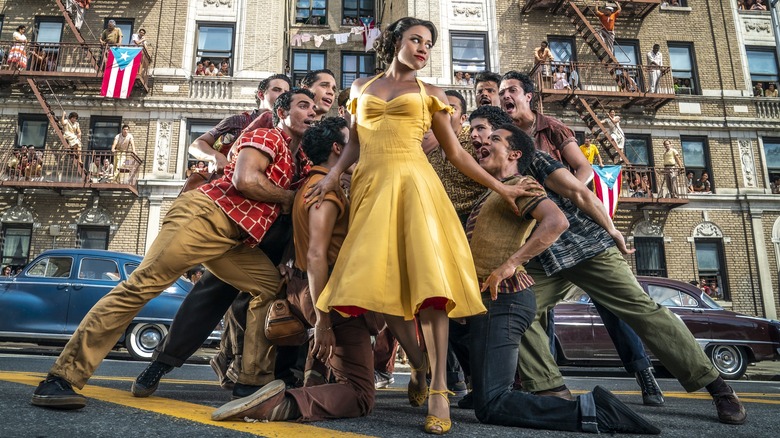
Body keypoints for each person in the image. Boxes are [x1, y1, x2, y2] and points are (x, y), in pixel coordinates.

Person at [305, 17, 530, 435]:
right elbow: (354, 144)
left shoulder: (432, 94)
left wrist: (502, 187)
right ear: (396, 42)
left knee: (430, 289)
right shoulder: (359, 89)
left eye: (429, 43)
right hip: (371, 193)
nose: (424, 48)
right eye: (416, 40)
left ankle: (440, 388)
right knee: (380, 287)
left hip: (417, 190)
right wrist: (333, 176)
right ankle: (420, 364)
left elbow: (458, 155)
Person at [31, 89, 318, 411]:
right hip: (204, 216)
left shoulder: (302, 162)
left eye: (316, 110)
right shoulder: (268, 135)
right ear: (281, 112)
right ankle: (60, 379)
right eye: (303, 106)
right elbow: (245, 179)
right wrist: (289, 199)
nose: (312, 112)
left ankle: (251, 383)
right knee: (140, 287)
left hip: (235, 241)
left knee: (269, 287)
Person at [513, 145, 746, 424]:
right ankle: (551, 392)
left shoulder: (533, 153)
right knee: (517, 308)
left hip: (586, 246)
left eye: (486, 131)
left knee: (641, 309)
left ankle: (718, 386)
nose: (479, 139)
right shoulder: (487, 168)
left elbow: (580, 191)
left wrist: (612, 230)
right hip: (544, 257)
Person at [465, 122, 658, 434]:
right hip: (488, 303)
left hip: (508, 300)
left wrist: (511, 264)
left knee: (492, 404)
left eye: (495, 139)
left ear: (514, 153)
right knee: (482, 393)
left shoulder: (523, 184)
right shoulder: (493, 192)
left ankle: (591, 410)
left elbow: (557, 221)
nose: (485, 142)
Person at [211, 116, 377, 424]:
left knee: (335, 361)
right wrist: (324, 320)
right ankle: (279, 404)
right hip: (330, 299)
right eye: (353, 144)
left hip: (307, 289)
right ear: (337, 148)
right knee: (359, 394)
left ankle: (312, 380)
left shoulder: (310, 185)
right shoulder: (323, 192)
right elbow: (316, 255)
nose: (359, 150)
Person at [499, 71, 593, 184]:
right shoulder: (503, 136)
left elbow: (584, 168)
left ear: (528, 96)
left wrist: (570, 198)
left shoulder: (553, 127)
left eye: (512, 90)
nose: (505, 96)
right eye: (501, 93)